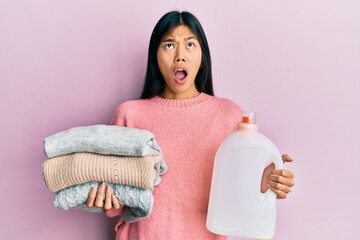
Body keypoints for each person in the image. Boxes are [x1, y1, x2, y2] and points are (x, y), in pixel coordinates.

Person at [86, 11, 295, 240]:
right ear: (155, 55)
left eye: (190, 45)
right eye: (168, 45)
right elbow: (117, 203)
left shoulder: (228, 115)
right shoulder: (129, 115)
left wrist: (265, 184)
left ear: (202, 56)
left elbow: (237, 199)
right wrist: (102, 198)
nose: (179, 56)